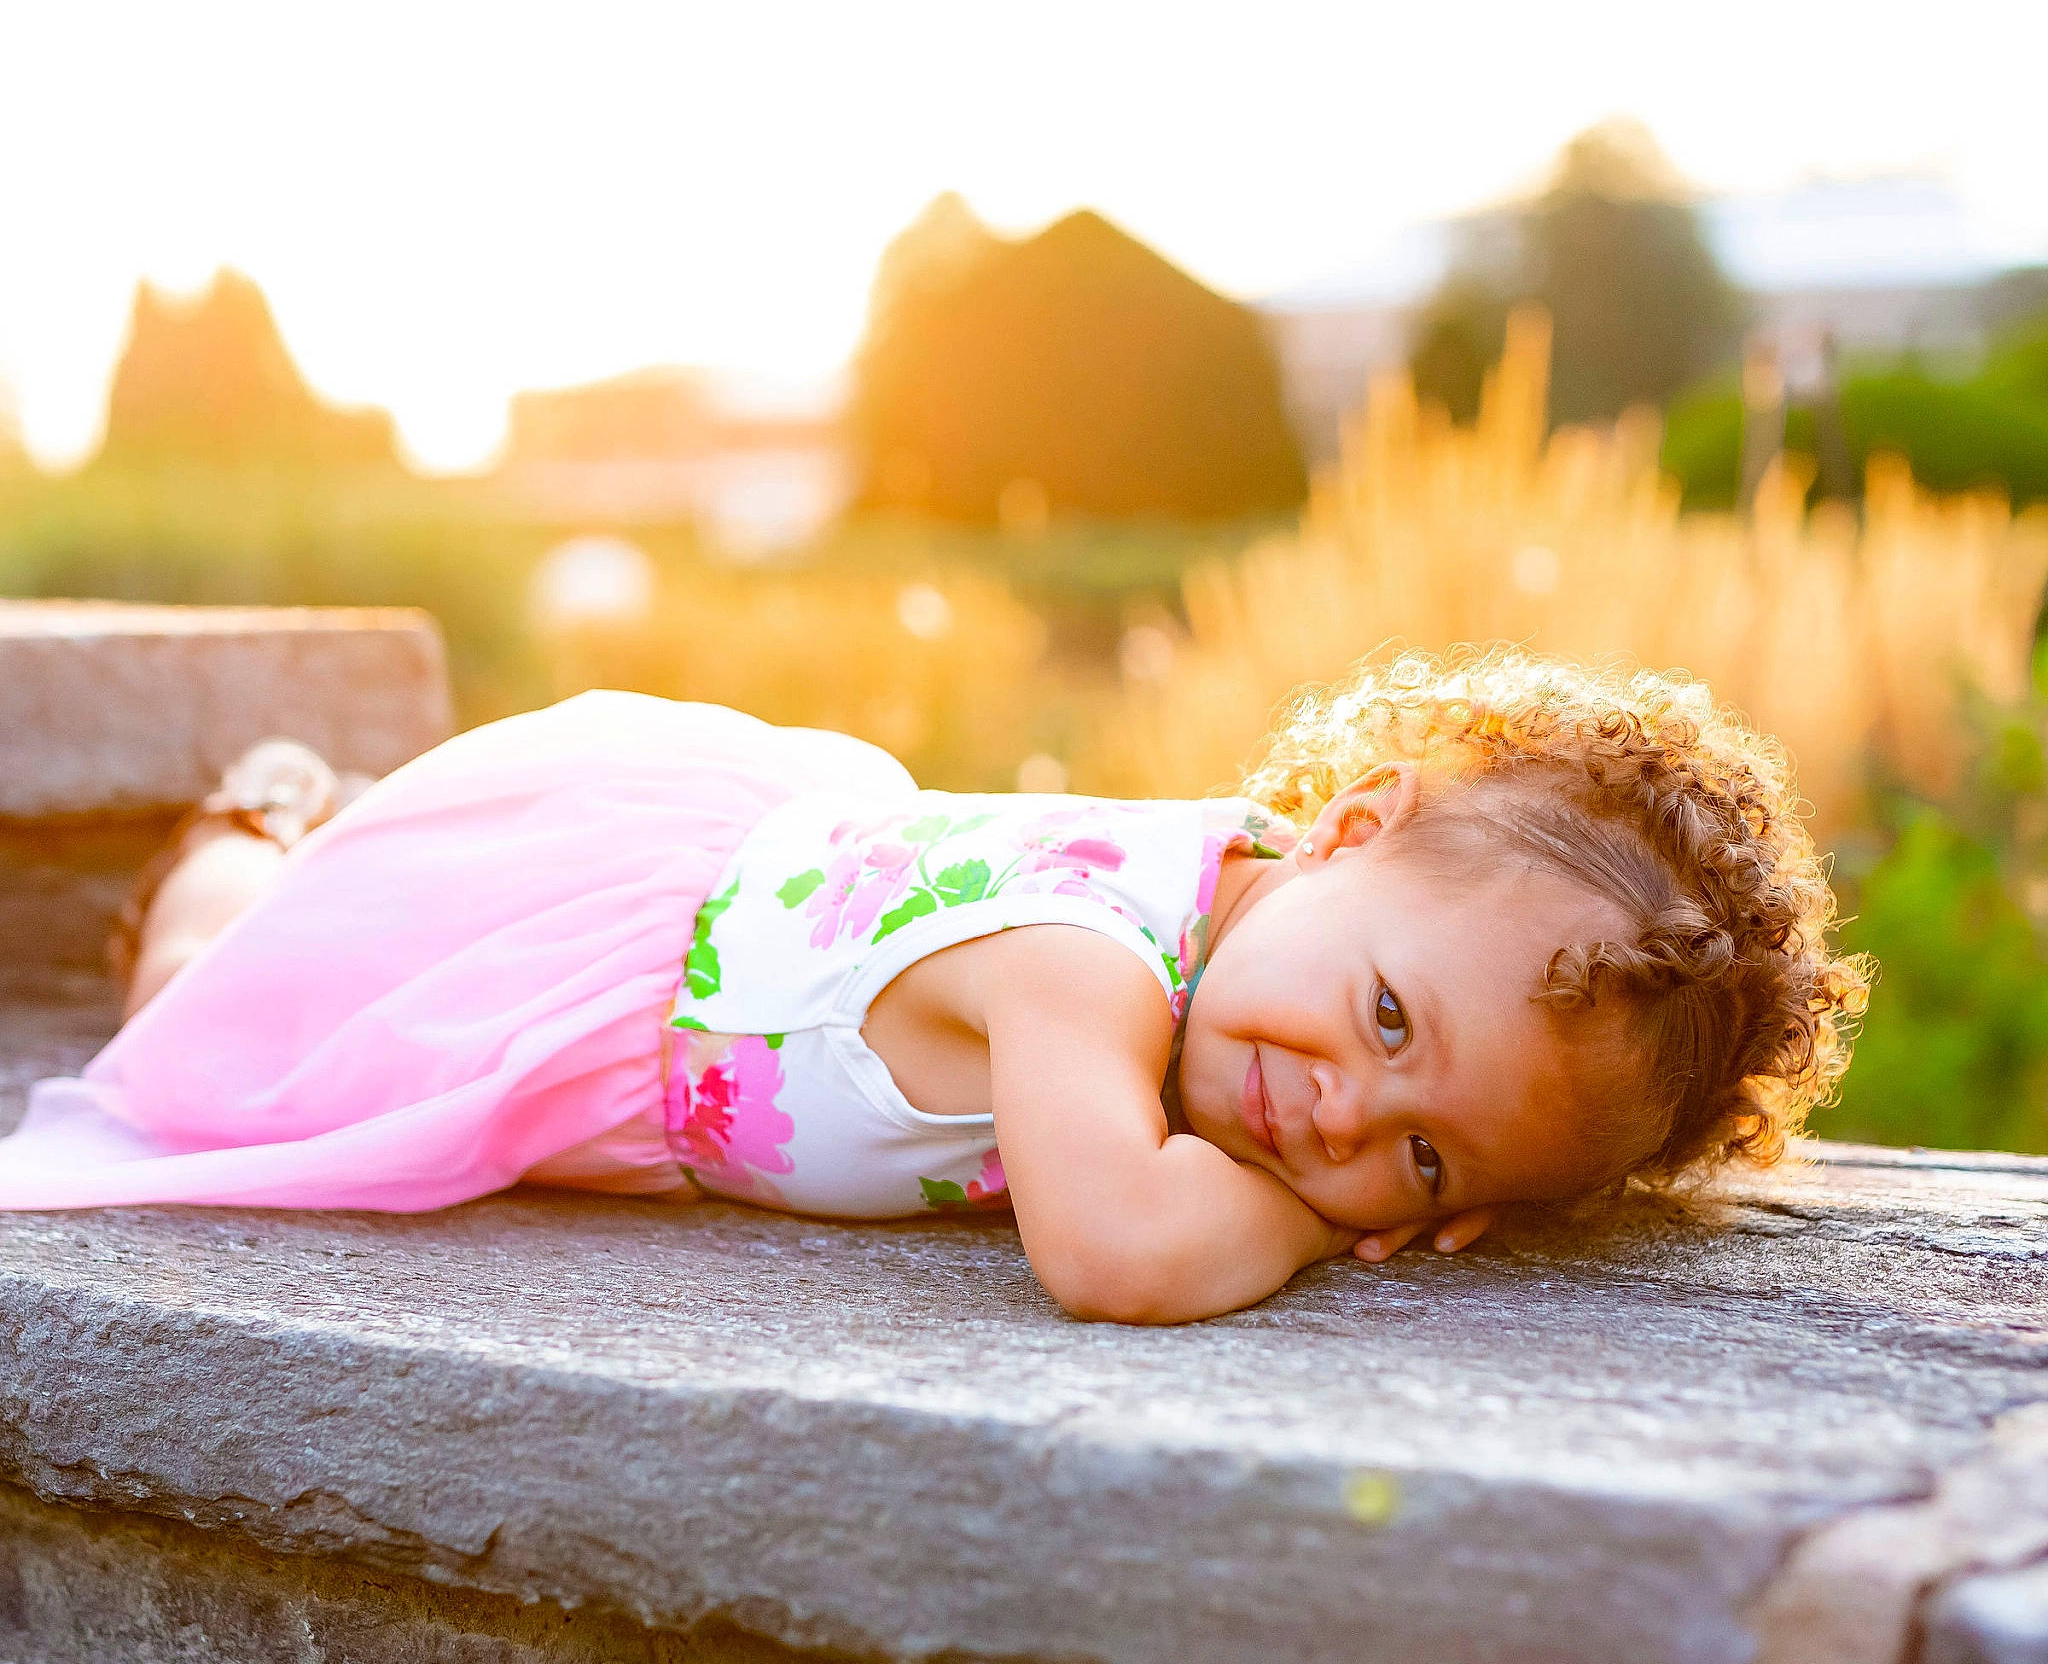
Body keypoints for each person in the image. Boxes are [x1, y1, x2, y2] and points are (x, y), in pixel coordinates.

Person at [0, 649, 1867, 1324]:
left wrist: (1431, 1164)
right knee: (215, 1003)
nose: (1339, 1123)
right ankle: (241, 829)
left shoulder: (1268, 941)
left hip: (727, 940)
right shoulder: (1080, 967)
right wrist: (1316, 1234)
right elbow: (1119, 1255)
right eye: (1388, 1024)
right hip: (578, 962)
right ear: (1348, 826)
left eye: (1429, 1166)